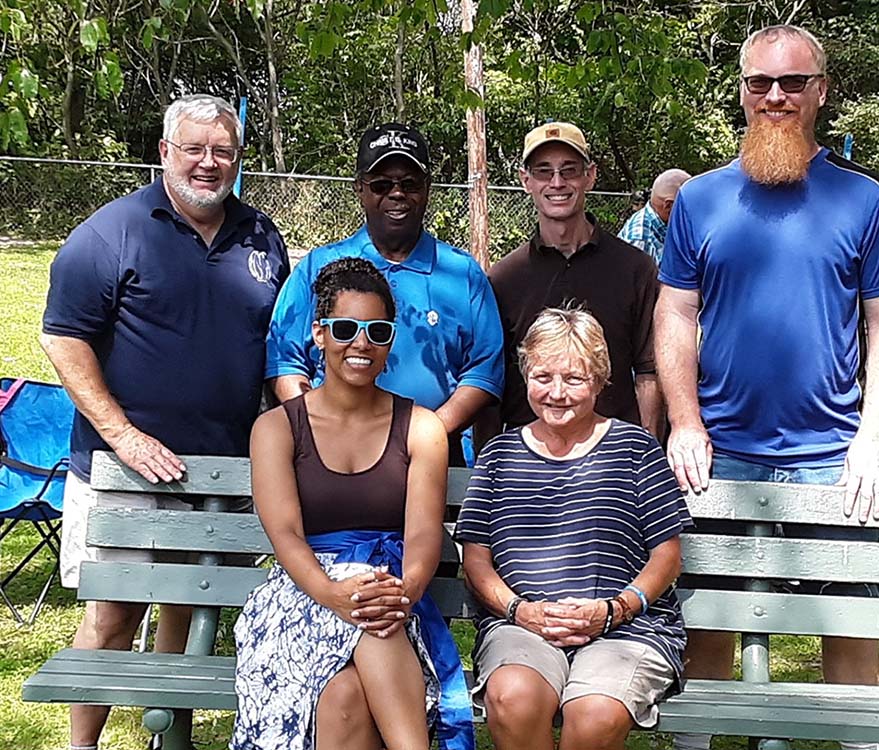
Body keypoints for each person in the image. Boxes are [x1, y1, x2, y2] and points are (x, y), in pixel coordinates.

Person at [655, 25, 879, 750]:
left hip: (834, 454)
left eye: (793, 82)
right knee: (708, 624)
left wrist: (873, 438)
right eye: (760, 82)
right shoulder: (701, 201)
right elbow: (675, 311)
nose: (776, 95)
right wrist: (684, 423)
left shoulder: (866, 201)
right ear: (740, 91)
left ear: (821, 92)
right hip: (720, 452)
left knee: (849, 627)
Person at [40, 94, 289, 750]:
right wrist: (123, 435)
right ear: (165, 153)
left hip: (222, 467)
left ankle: (165, 739)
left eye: (223, 152)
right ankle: (82, 746)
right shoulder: (110, 232)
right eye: (195, 149)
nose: (209, 164)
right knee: (113, 614)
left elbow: (275, 350)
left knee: (191, 607)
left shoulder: (262, 236)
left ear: (238, 159)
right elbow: (64, 340)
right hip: (125, 469)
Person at [233, 258, 473, 750]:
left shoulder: (422, 428)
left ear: (391, 339)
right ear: (319, 335)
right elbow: (286, 535)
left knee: (350, 682)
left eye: (377, 330)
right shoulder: (277, 429)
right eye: (345, 328)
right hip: (302, 594)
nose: (361, 343)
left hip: (394, 591)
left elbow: (424, 533)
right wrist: (334, 593)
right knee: (363, 636)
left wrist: (400, 593)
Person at [455, 307, 692, 750]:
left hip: (626, 629)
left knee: (594, 714)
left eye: (575, 379)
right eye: (543, 377)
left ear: (601, 380)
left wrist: (613, 610)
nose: (557, 393)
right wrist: (520, 611)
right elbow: (476, 559)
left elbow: (667, 556)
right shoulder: (500, 456)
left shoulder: (636, 448)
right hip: (521, 626)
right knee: (512, 699)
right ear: (526, 375)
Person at [266, 123, 504, 465]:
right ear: (360, 189)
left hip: (435, 458)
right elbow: (284, 360)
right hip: (332, 454)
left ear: (427, 189)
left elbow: (484, 370)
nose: (396, 194)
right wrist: (320, 428)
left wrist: (428, 433)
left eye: (410, 184)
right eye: (381, 184)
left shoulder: (462, 273)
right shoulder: (319, 268)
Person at [486, 122, 663, 441]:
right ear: (526, 181)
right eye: (544, 171)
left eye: (569, 170)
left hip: (610, 459)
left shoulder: (635, 269)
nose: (557, 183)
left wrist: (644, 451)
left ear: (590, 175)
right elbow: (490, 382)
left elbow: (649, 371)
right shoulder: (503, 279)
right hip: (529, 462)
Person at [618, 169, 692, 264]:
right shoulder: (640, 240)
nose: (693, 211)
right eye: (689, 205)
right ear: (668, 206)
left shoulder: (666, 223)